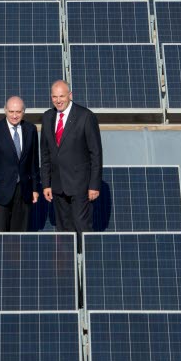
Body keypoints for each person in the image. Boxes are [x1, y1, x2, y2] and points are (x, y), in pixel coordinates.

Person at [40, 80, 102, 241]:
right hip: (58, 185)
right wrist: (46, 183)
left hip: (80, 185)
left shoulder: (85, 116)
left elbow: (95, 153)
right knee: (63, 229)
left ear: (70, 95)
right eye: (54, 96)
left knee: (82, 227)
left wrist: (94, 185)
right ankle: (69, 264)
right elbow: (45, 153)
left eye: (62, 96)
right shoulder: (47, 117)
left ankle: (88, 261)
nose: (58, 100)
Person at [0, 95, 40, 232]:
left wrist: (35, 188)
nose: (14, 115)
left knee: (18, 237)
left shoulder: (31, 130)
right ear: (5, 110)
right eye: (11, 111)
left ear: (24, 111)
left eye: (18, 112)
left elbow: (34, 162)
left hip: (23, 192)